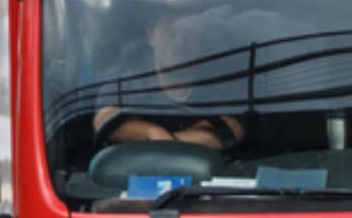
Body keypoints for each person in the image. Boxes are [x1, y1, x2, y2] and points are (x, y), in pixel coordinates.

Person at [93, 16, 244, 151]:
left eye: (189, 31)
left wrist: (164, 140)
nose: (180, 41)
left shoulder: (221, 82)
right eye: (170, 31)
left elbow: (234, 128)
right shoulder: (127, 84)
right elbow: (103, 119)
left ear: (199, 38)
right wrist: (151, 132)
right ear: (151, 35)